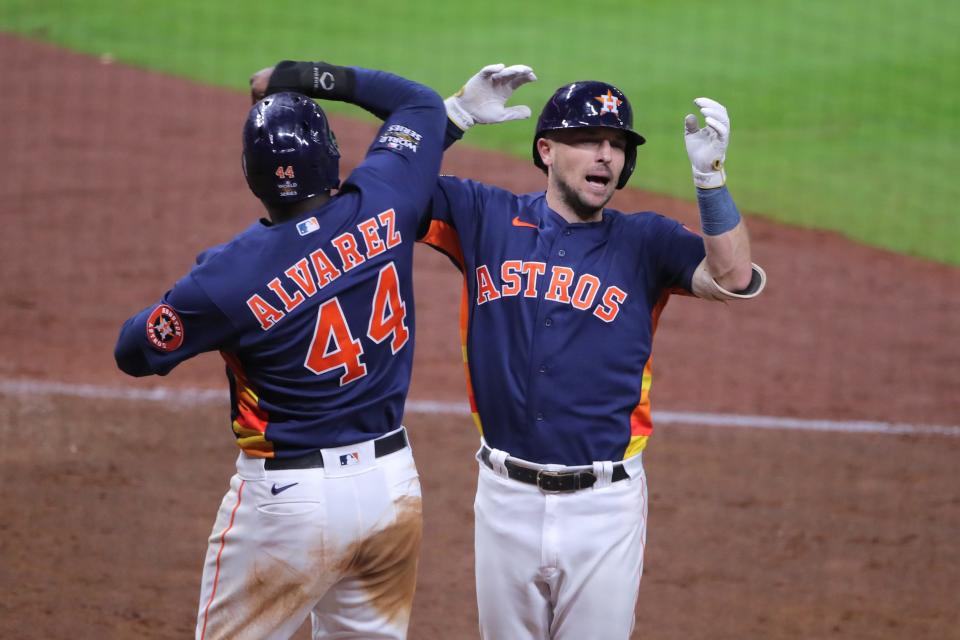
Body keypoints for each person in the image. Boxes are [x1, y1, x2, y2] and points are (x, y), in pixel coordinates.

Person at [254, 62, 766, 639]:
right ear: (546, 150)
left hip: (605, 507)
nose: (605, 156)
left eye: (616, 145)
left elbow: (734, 275)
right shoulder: (483, 215)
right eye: (586, 141)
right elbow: (383, 194)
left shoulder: (645, 241)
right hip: (504, 498)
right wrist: (454, 115)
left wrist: (712, 182)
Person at [115, 63, 448, 639]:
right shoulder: (387, 200)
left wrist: (191, 295)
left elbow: (135, 351)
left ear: (252, 173)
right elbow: (420, 104)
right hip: (392, 490)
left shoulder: (225, 279)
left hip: (289, 506)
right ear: (333, 156)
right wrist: (293, 75)